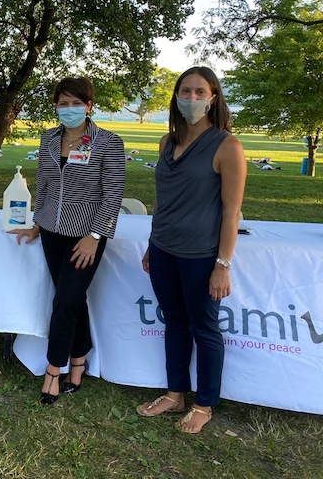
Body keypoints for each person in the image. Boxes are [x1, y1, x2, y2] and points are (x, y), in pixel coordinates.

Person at [136, 66, 246, 433]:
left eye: (200, 92)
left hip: (201, 256)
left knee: (205, 328)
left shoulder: (227, 146)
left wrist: (222, 265)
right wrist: (152, 244)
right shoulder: (166, 142)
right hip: (163, 249)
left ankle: (204, 404)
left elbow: (231, 212)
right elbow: (163, 200)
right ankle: (175, 394)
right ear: (176, 96)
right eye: (186, 91)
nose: (192, 98)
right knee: (174, 322)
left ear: (213, 98)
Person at [9, 76, 124, 405]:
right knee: (71, 299)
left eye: (76, 103)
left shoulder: (108, 142)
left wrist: (95, 236)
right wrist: (36, 224)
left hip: (85, 236)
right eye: (63, 103)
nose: (69, 108)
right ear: (55, 107)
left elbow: (113, 196)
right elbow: (44, 185)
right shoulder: (48, 138)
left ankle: (52, 370)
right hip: (51, 231)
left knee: (64, 302)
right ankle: (78, 360)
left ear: (88, 105)